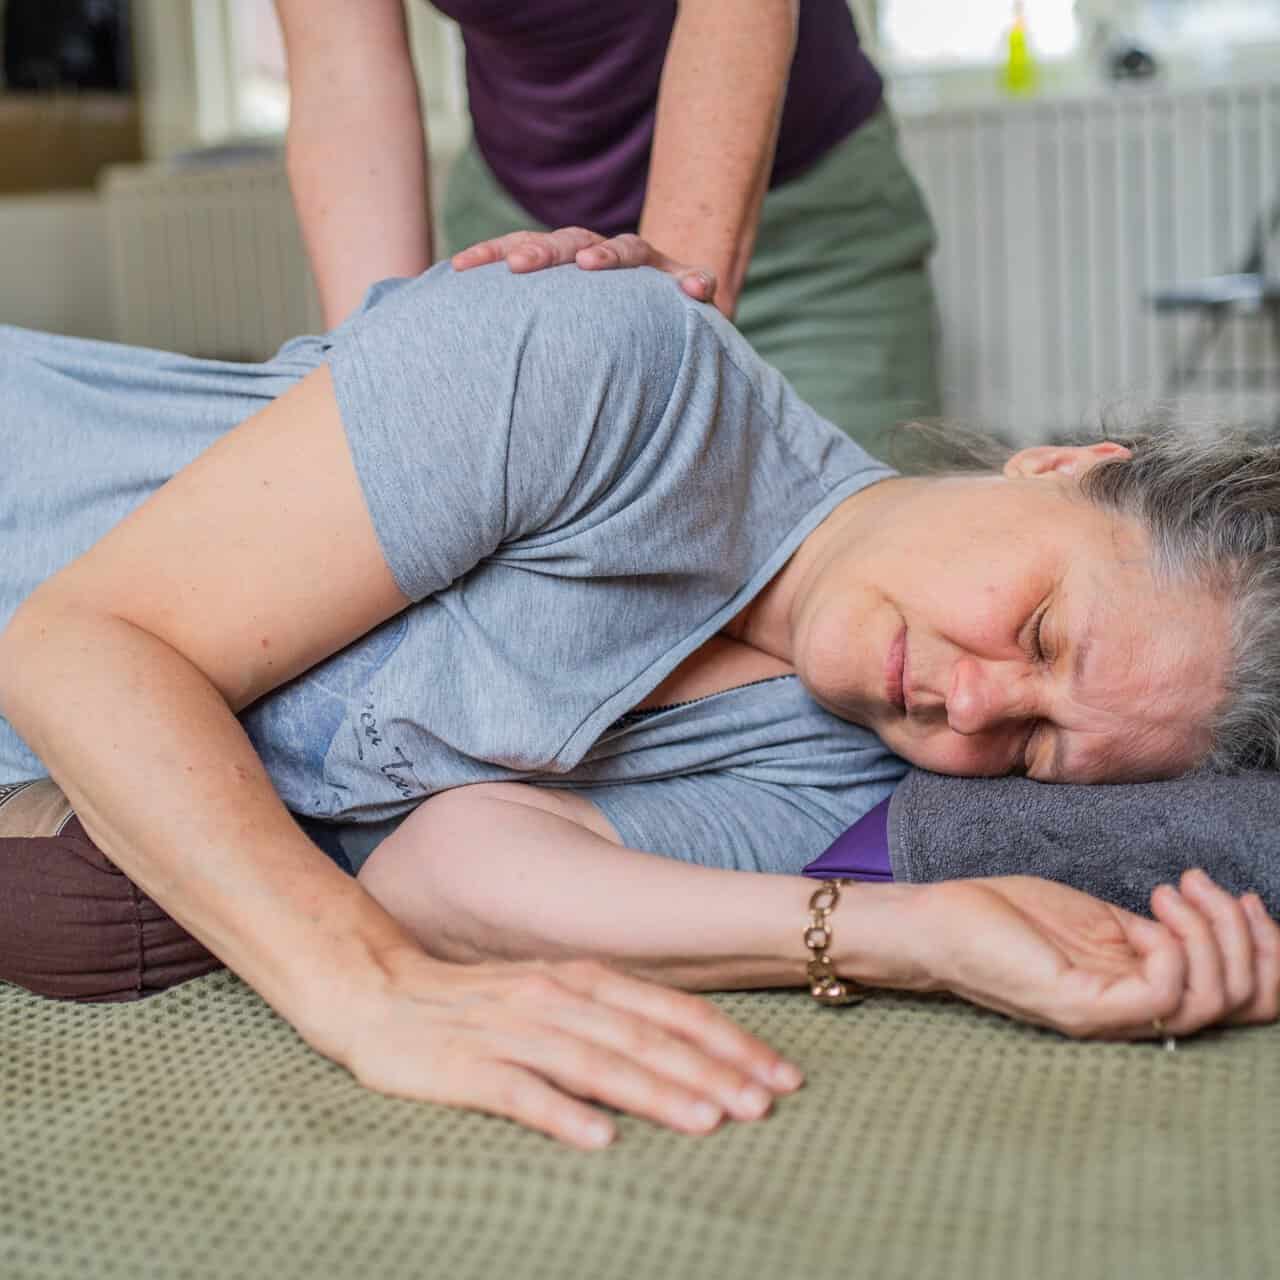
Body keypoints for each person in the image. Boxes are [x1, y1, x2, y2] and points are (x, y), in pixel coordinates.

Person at [1, 264, 1277, 1151]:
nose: (976, 701)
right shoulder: (625, 374)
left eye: (1037, 745)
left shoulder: (840, 772)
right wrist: (362, 990)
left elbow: (440, 875)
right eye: (1043, 628)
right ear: (1061, 467)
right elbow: (80, 642)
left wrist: (921, 933)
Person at [275, 0, 939, 455]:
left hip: (805, 231)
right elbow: (342, 70)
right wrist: (373, 380)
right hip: (523, 236)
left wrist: (672, 340)